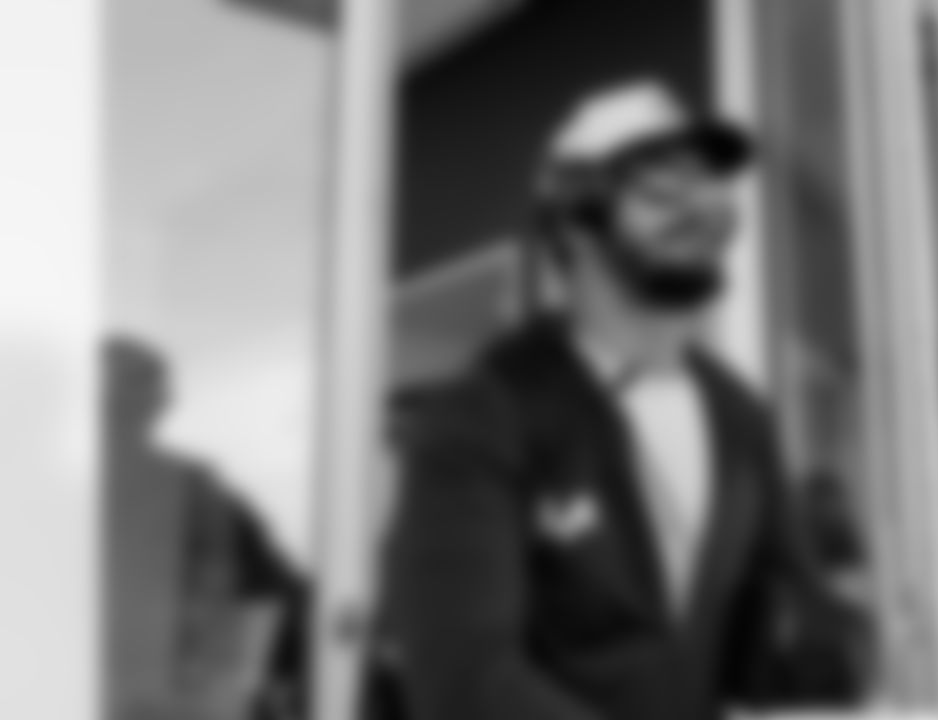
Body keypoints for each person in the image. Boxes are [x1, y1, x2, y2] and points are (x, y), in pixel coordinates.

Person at [375, 78, 875, 720]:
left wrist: (842, 645)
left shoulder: (742, 418)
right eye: (660, 185)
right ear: (576, 220)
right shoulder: (482, 416)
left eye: (708, 182)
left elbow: (770, 640)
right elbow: (465, 687)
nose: (699, 207)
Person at [104, 337, 300, 720]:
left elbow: (269, 589)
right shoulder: (46, 499)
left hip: (171, 697)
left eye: (137, 394)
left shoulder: (195, 488)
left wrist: (231, 688)